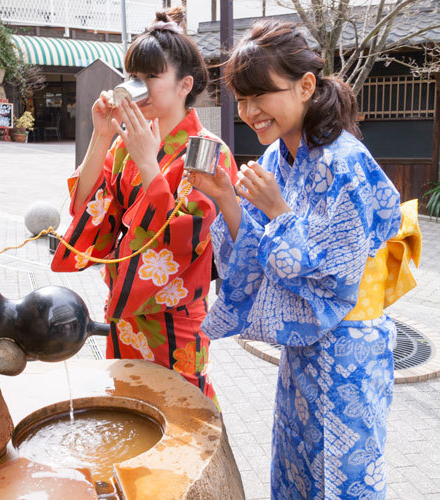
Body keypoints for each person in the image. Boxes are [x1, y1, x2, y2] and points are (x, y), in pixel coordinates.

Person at [189, 20, 420, 500]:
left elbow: (337, 275)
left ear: (306, 86)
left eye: (261, 96)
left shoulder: (346, 162)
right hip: (302, 349)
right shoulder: (277, 158)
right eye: (242, 99)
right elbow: (254, 255)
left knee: (343, 478)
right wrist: (227, 200)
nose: (250, 111)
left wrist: (277, 210)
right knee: (295, 465)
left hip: (349, 348)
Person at [51, 7, 237, 405]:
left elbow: (187, 239)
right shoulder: (125, 144)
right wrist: (101, 135)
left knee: (183, 415)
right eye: (133, 77)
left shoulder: (208, 150)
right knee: (130, 409)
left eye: (151, 76)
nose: (139, 86)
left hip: (175, 315)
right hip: (125, 310)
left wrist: (150, 165)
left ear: (185, 84)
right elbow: (88, 209)